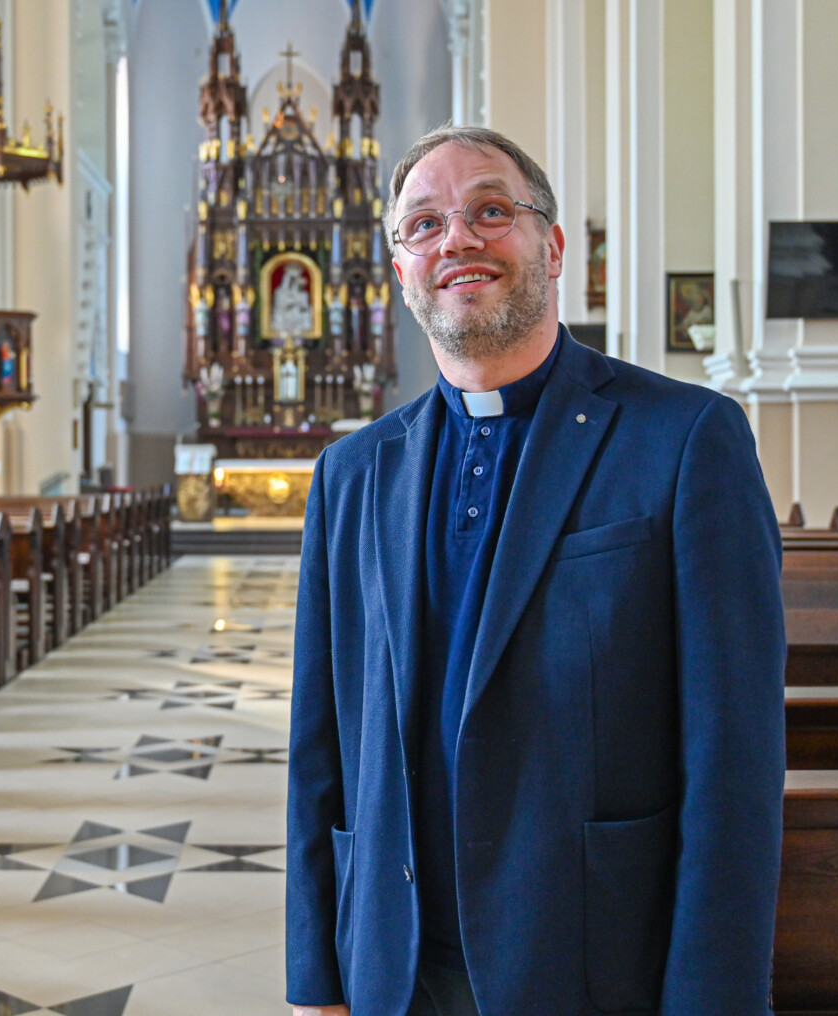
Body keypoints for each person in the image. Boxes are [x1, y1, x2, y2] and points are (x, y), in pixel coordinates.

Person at [286, 126, 786, 1016]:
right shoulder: (351, 475)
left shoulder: (684, 440)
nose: (457, 239)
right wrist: (316, 979)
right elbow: (319, 749)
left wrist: (713, 999)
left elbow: (733, 761)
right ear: (400, 270)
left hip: (593, 963)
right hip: (394, 968)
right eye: (424, 224)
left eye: (489, 211)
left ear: (551, 247)